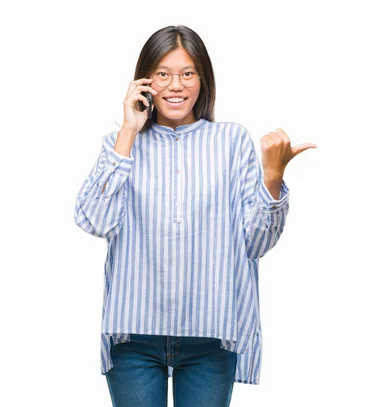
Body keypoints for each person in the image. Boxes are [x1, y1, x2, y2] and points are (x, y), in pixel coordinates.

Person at [74, 25, 316, 407]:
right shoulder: (121, 143)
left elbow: (255, 244)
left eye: (187, 73)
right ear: (144, 80)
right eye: (163, 73)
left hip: (210, 337)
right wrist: (128, 131)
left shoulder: (232, 142)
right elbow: (94, 220)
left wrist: (272, 178)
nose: (175, 85)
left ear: (202, 80)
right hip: (134, 337)